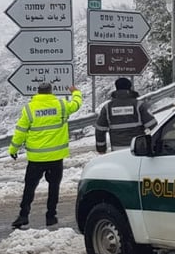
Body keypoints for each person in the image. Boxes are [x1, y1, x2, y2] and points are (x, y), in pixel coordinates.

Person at [8, 81, 82, 229]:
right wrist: (76, 92)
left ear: (38, 92)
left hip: (36, 158)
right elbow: (76, 104)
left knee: (29, 187)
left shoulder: (29, 109)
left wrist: (13, 149)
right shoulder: (61, 106)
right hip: (56, 157)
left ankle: (23, 215)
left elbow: (20, 131)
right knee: (54, 187)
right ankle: (51, 216)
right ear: (51, 92)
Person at [95, 77, 157, 153]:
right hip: (137, 150)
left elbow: (100, 130)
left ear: (116, 88)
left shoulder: (107, 107)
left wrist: (101, 148)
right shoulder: (138, 105)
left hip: (117, 151)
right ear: (130, 88)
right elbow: (154, 126)